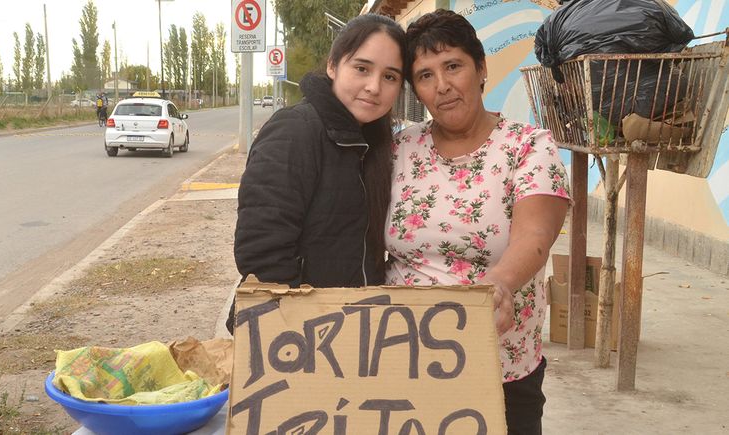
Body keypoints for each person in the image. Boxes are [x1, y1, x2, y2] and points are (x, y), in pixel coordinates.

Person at [386, 9, 571, 435]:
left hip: (499, 363)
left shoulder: (527, 147)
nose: (443, 85)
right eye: (426, 75)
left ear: (481, 68)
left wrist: (500, 282)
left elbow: (535, 236)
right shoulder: (400, 148)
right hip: (402, 360)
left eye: (453, 66)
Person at [228, 14, 407, 333]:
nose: (374, 87)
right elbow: (262, 252)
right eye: (362, 68)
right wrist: (301, 331)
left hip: (352, 330)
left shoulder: (371, 141)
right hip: (298, 337)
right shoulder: (296, 130)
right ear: (333, 66)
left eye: (390, 76)